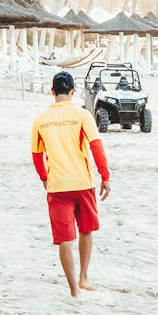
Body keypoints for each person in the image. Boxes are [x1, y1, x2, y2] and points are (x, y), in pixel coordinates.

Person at [30, 70, 111, 298]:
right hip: (83, 183)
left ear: (53, 91)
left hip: (57, 187)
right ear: (73, 91)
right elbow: (96, 146)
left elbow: (37, 155)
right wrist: (105, 176)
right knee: (86, 230)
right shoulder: (83, 115)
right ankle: (84, 277)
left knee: (65, 239)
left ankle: (73, 289)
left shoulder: (40, 119)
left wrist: (44, 178)